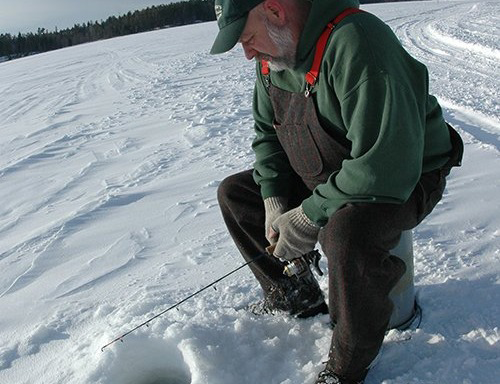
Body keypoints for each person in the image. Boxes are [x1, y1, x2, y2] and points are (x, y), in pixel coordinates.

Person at [211, 0, 463, 382]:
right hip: (333, 170)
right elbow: (268, 137)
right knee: (236, 194)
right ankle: (298, 296)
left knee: (345, 233)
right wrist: (274, 200)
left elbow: (386, 165)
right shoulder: (272, 60)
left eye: (247, 37)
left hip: (405, 174)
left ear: (276, 12)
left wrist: (309, 215)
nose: (247, 54)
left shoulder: (357, 42)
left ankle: (349, 361)